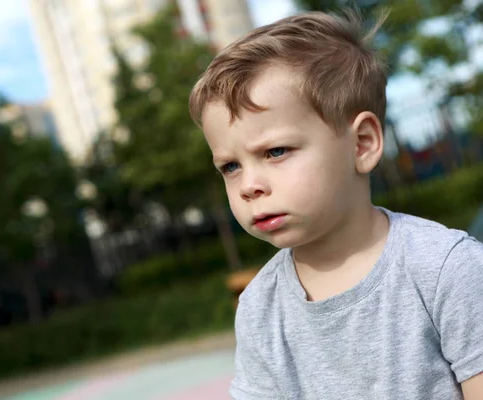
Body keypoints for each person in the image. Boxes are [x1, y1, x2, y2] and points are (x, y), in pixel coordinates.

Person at [188, 9, 483, 400]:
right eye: (230, 166)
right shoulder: (260, 309)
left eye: (275, 151)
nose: (249, 186)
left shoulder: (446, 270)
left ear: (362, 144)